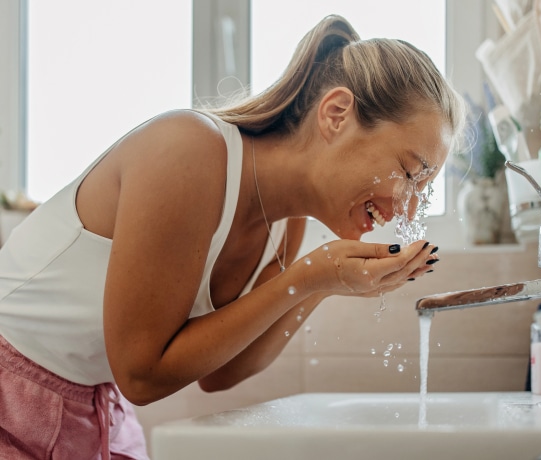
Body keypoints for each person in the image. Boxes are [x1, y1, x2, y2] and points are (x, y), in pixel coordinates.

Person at [0, 14, 465, 459]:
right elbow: (141, 375)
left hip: (93, 410)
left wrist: (322, 283)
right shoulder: (188, 150)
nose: (406, 208)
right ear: (337, 114)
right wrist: (304, 278)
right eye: (408, 173)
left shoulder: (289, 227)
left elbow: (221, 374)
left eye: (421, 192)